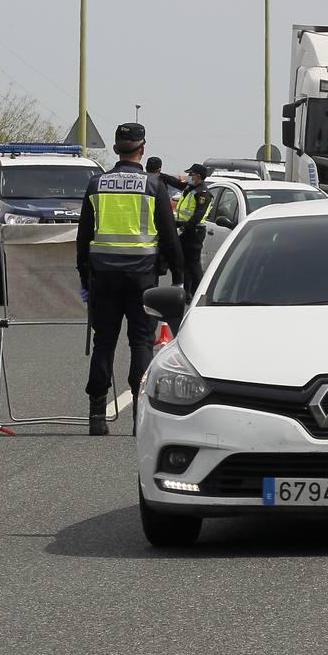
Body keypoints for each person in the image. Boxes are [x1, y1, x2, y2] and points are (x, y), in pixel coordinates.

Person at [76, 123, 183, 436]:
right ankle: (140, 417)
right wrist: (177, 278)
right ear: (143, 149)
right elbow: (169, 236)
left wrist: (85, 278)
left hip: (103, 277)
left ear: (115, 149)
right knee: (141, 343)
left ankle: (97, 416)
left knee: (104, 342)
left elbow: (83, 238)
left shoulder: (97, 184)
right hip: (143, 279)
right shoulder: (153, 186)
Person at [175, 163, 213, 296]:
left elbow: (199, 214)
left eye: (191, 175)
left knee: (193, 264)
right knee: (185, 263)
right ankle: (187, 293)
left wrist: (185, 227)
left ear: (198, 176)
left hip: (194, 231)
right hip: (187, 230)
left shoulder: (203, 193)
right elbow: (175, 183)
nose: (189, 177)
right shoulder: (191, 189)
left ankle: (199, 293)